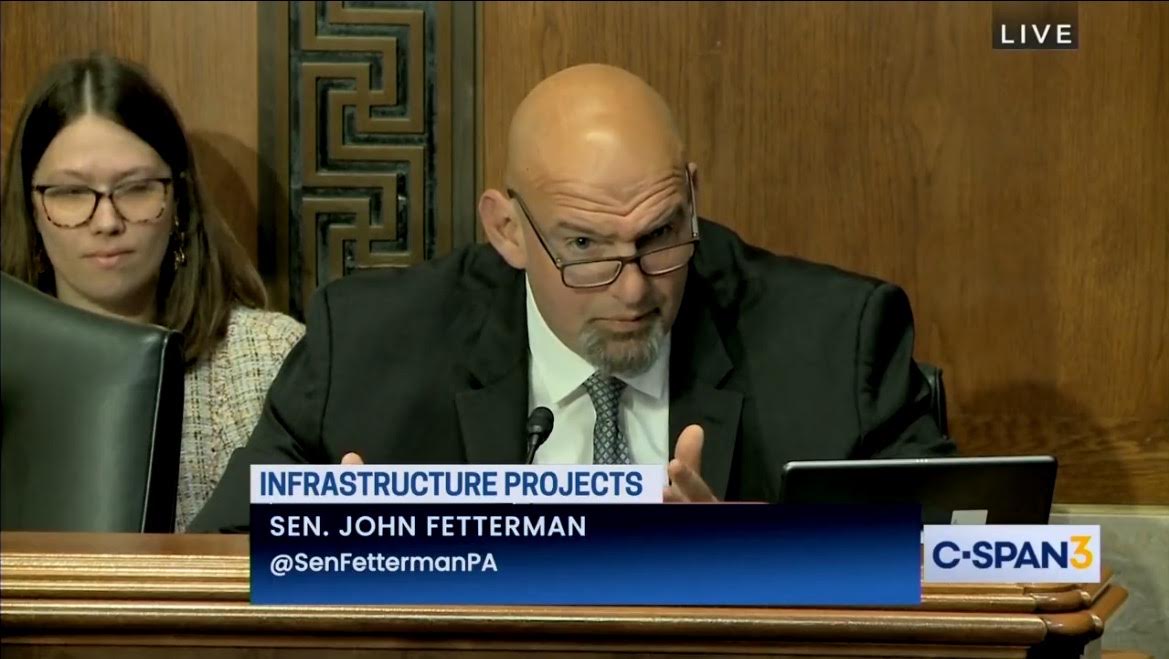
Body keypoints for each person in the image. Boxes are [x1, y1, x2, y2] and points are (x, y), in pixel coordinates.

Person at [188, 63, 956, 533]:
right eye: (585, 245)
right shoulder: (367, 346)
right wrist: (330, 553)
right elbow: (216, 558)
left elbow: (965, 561)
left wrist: (756, 566)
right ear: (507, 230)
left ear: (691, 197)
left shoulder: (836, 341)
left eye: (661, 234)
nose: (633, 285)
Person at [0, 54, 305, 531]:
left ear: (178, 200)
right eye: (72, 193)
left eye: (136, 189)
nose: (107, 222)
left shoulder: (271, 360)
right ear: (31, 210)